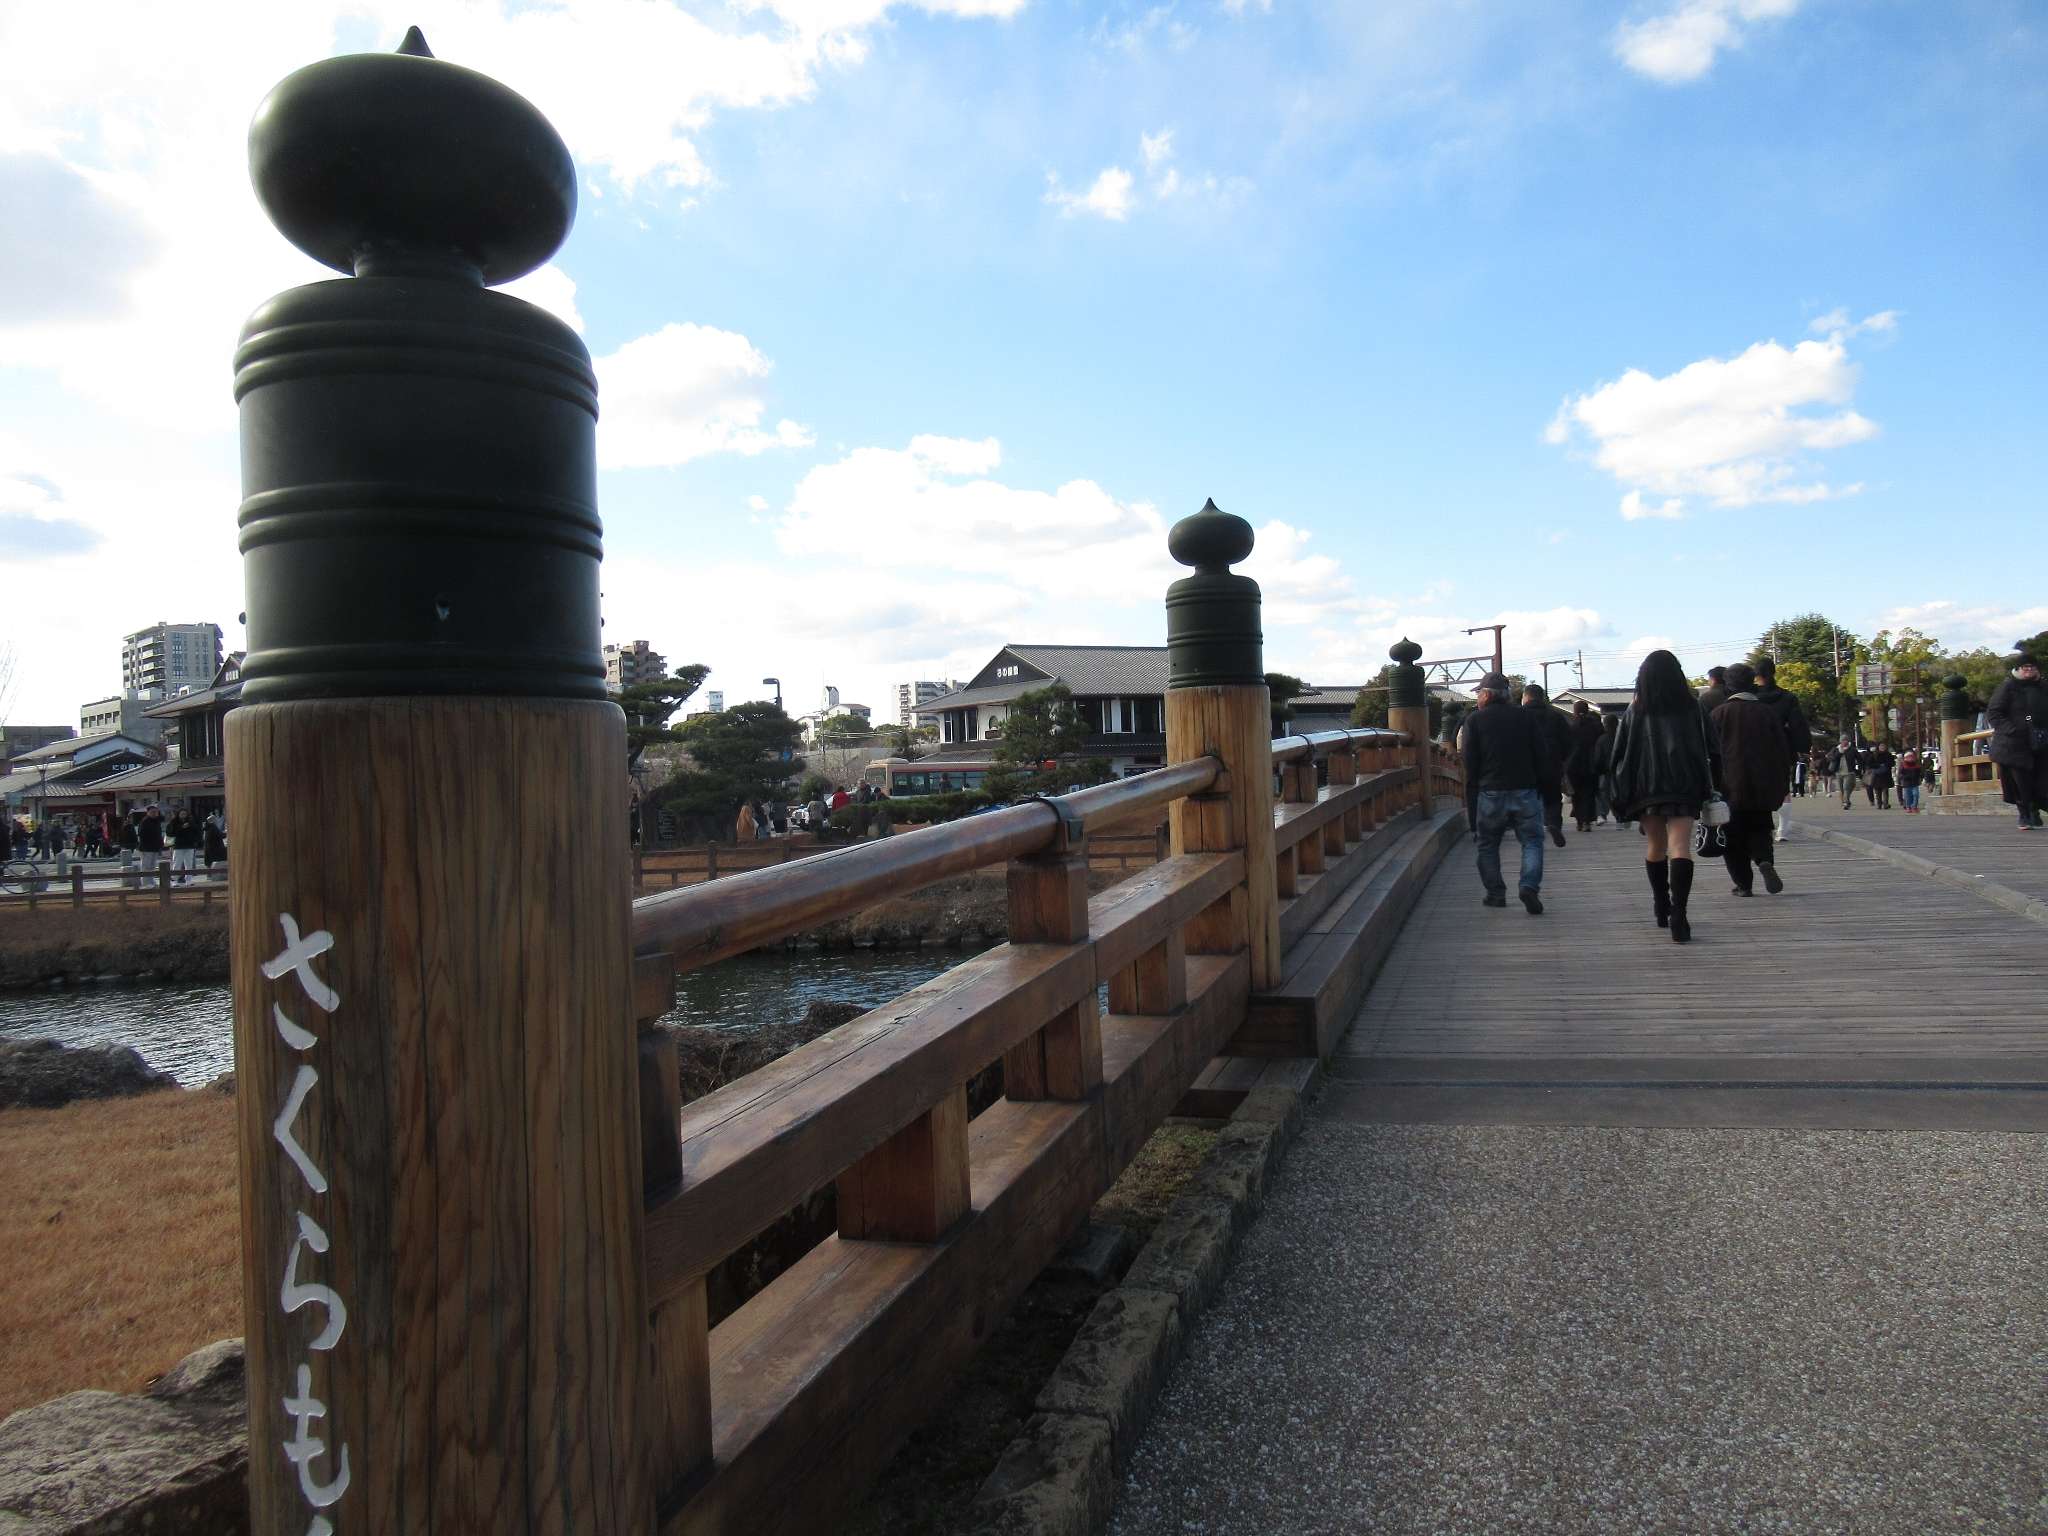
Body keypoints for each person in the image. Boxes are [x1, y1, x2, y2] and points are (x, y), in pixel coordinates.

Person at [1607, 649, 1720, 943]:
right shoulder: (1692, 707)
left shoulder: (1636, 709)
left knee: (1656, 846)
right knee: (1680, 845)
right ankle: (1679, 914)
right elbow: (1713, 747)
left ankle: (1661, 904)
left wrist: (1620, 789)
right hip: (1685, 784)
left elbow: (1619, 753)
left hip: (1646, 787)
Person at [1461, 671, 1554, 914]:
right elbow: (1541, 754)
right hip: (1525, 789)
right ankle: (1529, 886)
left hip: (1490, 790)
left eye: (1479, 693)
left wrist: (1472, 791)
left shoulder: (1474, 720)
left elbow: (1470, 761)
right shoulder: (1525, 718)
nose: (1478, 698)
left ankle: (1496, 893)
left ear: (1486, 695)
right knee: (1532, 841)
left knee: (1488, 844)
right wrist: (1544, 788)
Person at [1711, 664, 1791, 898]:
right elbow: (1781, 751)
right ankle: (1764, 860)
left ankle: (1743, 884)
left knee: (1732, 836)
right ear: (1752, 683)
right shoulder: (1768, 713)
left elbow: (1711, 754)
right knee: (1760, 827)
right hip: (1762, 785)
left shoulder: (1718, 714)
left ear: (1728, 686)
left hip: (1729, 787)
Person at [1985, 652, 2048, 829]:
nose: (2029, 670)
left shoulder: (2043, 686)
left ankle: (2034, 811)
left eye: (2032, 667)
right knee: (2020, 782)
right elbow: (1994, 713)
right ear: (2018, 669)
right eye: (2025, 667)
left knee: (2041, 780)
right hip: (2013, 745)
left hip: (2040, 741)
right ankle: (2024, 814)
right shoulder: (2008, 687)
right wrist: (2011, 730)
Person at [1752, 657, 1809, 838]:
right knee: (1783, 788)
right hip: (1781, 748)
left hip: (1753, 748)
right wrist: (1803, 747)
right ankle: (1782, 830)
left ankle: (1763, 829)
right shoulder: (1787, 697)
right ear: (1774, 672)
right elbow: (1798, 725)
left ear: (1756, 674)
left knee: (1757, 789)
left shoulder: (1750, 697)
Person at [1521, 683, 1574, 848]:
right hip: (1552, 764)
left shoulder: (1519, 716)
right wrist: (1561, 759)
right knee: (1553, 799)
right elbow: (1568, 742)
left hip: (1527, 766)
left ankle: (1534, 830)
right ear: (1542, 697)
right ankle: (1554, 824)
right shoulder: (1556, 716)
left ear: (1526, 697)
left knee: (1530, 799)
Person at [1565, 699, 1605, 832]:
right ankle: (1587, 821)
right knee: (1589, 793)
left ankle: (1579, 822)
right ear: (1587, 710)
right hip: (1591, 764)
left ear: (1575, 711)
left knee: (1576, 794)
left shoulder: (1571, 726)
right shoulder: (1596, 726)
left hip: (1574, 765)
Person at [1593, 712, 1622, 823]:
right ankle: (1619, 815)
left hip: (1605, 771)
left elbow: (1598, 757)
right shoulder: (1623, 737)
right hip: (1620, 770)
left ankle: (1602, 814)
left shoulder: (1602, 739)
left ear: (1605, 725)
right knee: (1618, 794)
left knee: (1603, 793)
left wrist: (1598, 769)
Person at [168, 808, 201, 882]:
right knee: (177, 863)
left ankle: (189, 880)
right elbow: (171, 833)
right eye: (182, 814)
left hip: (189, 845)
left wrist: (195, 841)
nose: (183, 816)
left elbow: (196, 831)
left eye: (185, 814)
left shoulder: (191, 821)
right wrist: (181, 827)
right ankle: (174, 881)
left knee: (189, 864)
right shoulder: (174, 822)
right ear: (178, 814)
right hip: (178, 846)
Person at [1827, 737, 1861, 809]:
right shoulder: (1836, 749)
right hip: (1838, 772)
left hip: (1849, 772)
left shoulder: (1852, 749)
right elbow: (1831, 758)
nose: (1844, 741)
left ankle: (1846, 802)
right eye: (1843, 740)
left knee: (1846, 787)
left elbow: (1859, 758)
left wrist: (1860, 768)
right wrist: (1840, 752)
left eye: (1846, 740)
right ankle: (1844, 802)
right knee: (1841, 789)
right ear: (1840, 741)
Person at [138, 805, 166, 874]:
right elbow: (141, 834)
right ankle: (147, 882)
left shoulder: (156, 821)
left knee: (152, 865)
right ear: (148, 812)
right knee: (146, 865)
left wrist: (160, 844)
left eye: (156, 812)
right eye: (152, 812)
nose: (154, 813)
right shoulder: (145, 821)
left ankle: (151, 881)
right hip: (146, 847)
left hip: (155, 846)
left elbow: (158, 834)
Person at [1897, 747, 1924, 814]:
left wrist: (1921, 777)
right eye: (1908, 757)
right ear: (1905, 758)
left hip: (1915, 782)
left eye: (1911, 757)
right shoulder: (1903, 765)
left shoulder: (1916, 764)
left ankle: (1914, 806)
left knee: (1916, 794)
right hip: (1907, 783)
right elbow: (1900, 774)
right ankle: (1908, 807)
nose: (1910, 758)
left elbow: (1920, 772)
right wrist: (1904, 778)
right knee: (1907, 796)